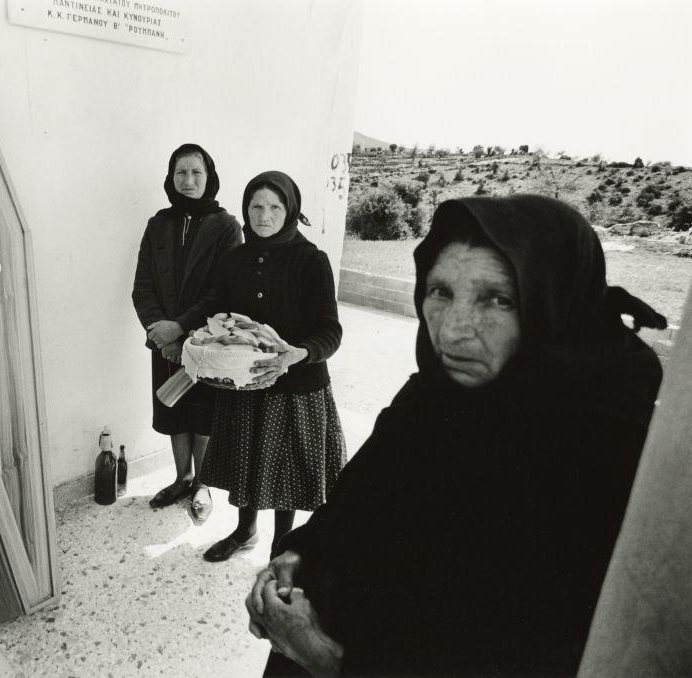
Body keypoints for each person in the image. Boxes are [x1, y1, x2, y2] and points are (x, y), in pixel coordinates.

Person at [244, 194, 668, 677]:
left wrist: (329, 659)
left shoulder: (600, 451)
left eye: (498, 299)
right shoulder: (429, 399)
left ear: (554, 303)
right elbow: (352, 504)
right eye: (441, 292)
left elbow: (541, 653)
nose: (452, 332)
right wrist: (299, 552)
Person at [199, 170, 346, 562]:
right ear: (246, 209)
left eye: (275, 207)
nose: (264, 215)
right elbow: (221, 314)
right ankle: (245, 531)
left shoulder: (311, 260)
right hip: (246, 384)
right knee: (246, 462)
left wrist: (298, 353)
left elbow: (330, 330)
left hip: (295, 387)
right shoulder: (233, 260)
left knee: (286, 470)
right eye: (256, 206)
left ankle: (281, 547)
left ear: (290, 210)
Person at [132, 143, 242, 522]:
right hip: (164, 344)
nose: (189, 180)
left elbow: (224, 291)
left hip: (204, 344)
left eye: (196, 172)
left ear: (209, 176)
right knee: (173, 412)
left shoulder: (226, 226)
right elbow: (142, 287)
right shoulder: (158, 224)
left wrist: (181, 331)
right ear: (171, 177)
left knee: (204, 418)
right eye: (181, 172)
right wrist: (162, 334)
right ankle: (182, 478)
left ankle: (203, 485)